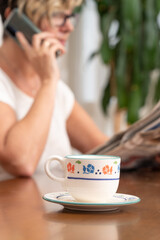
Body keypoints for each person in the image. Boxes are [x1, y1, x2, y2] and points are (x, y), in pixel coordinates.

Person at [0, 0, 108, 178]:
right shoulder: (48, 83)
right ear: (15, 18)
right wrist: (49, 81)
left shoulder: (57, 90)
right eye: (57, 15)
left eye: (70, 15)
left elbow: (105, 150)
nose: (69, 27)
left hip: (53, 205)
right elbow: (21, 162)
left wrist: (147, 152)